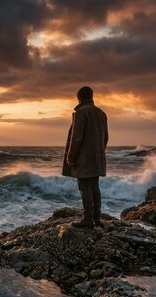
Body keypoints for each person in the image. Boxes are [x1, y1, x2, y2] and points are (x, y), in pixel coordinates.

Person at [62, 86, 108, 229]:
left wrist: (71, 156)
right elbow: (105, 138)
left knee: (85, 187)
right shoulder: (102, 113)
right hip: (97, 156)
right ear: (91, 96)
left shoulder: (81, 112)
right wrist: (98, 151)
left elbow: (77, 138)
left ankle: (88, 219)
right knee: (95, 187)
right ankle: (97, 218)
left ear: (79, 98)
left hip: (84, 158)